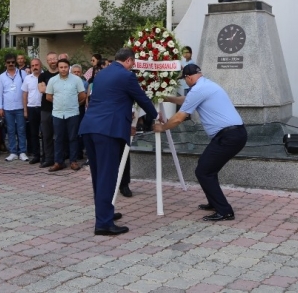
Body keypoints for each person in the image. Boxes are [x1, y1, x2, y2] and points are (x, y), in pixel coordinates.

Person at [80, 48, 158, 236]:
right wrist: (156, 115)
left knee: (99, 175)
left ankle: (105, 213)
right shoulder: (127, 76)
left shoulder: (101, 74)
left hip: (89, 126)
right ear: (129, 61)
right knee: (108, 176)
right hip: (108, 131)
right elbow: (142, 99)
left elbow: (110, 99)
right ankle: (104, 224)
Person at [157, 64, 247, 221]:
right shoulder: (205, 85)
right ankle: (214, 202)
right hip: (233, 134)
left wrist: (162, 127)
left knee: (204, 171)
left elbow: (179, 118)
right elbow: (184, 99)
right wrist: (166, 98)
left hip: (228, 136)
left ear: (189, 78)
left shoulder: (198, 90)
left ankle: (225, 211)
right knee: (206, 167)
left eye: (185, 80)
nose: (185, 83)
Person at [46, 58, 86, 172]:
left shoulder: (76, 80)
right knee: (58, 138)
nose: (63, 69)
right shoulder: (52, 80)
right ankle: (58, 162)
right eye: (61, 67)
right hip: (58, 113)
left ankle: (73, 161)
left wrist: (72, 102)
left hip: (72, 113)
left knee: (73, 138)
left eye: (65, 67)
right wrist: (59, 102)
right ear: (58, 68)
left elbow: (82, 95)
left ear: (69, 68)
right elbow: (48, 96)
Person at [0, 54, 28, 162]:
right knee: (10, 130)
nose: (11, 64)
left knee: (21, 130)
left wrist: (26, 107)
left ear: (16, 63)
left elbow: (26, 90)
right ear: (5, 63)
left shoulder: (22, 74)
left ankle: (22, 151)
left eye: (13, 62)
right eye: (8, 62)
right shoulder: (1, 77)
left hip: (20, 106)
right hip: (8, 107)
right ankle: (13, 152)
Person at [37, 52, 59, 168]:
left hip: (59, 110)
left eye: (54, 59)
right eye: (50, 59)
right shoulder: (42, 75)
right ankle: (48, 158)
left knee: (59, 136)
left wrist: (48, 89)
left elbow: (46, 89)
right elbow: (41, 89)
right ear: (47, 61)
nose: (52, 61)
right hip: (46, 109)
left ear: (57, 59)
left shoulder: (62, 74)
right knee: (47, 135)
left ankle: (58, 159)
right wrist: (57, 91)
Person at [22, 58, 43, 164]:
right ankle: (36, 155)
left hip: (44, 108)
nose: (35, 67)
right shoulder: (27, 78)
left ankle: (46, 155)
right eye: (33, 65)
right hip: (31, 108)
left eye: (37, 65)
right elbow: (25, 94)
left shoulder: (45, 76)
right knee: (33, 133)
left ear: (41, 66)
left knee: (45, 133)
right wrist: (25, 110)